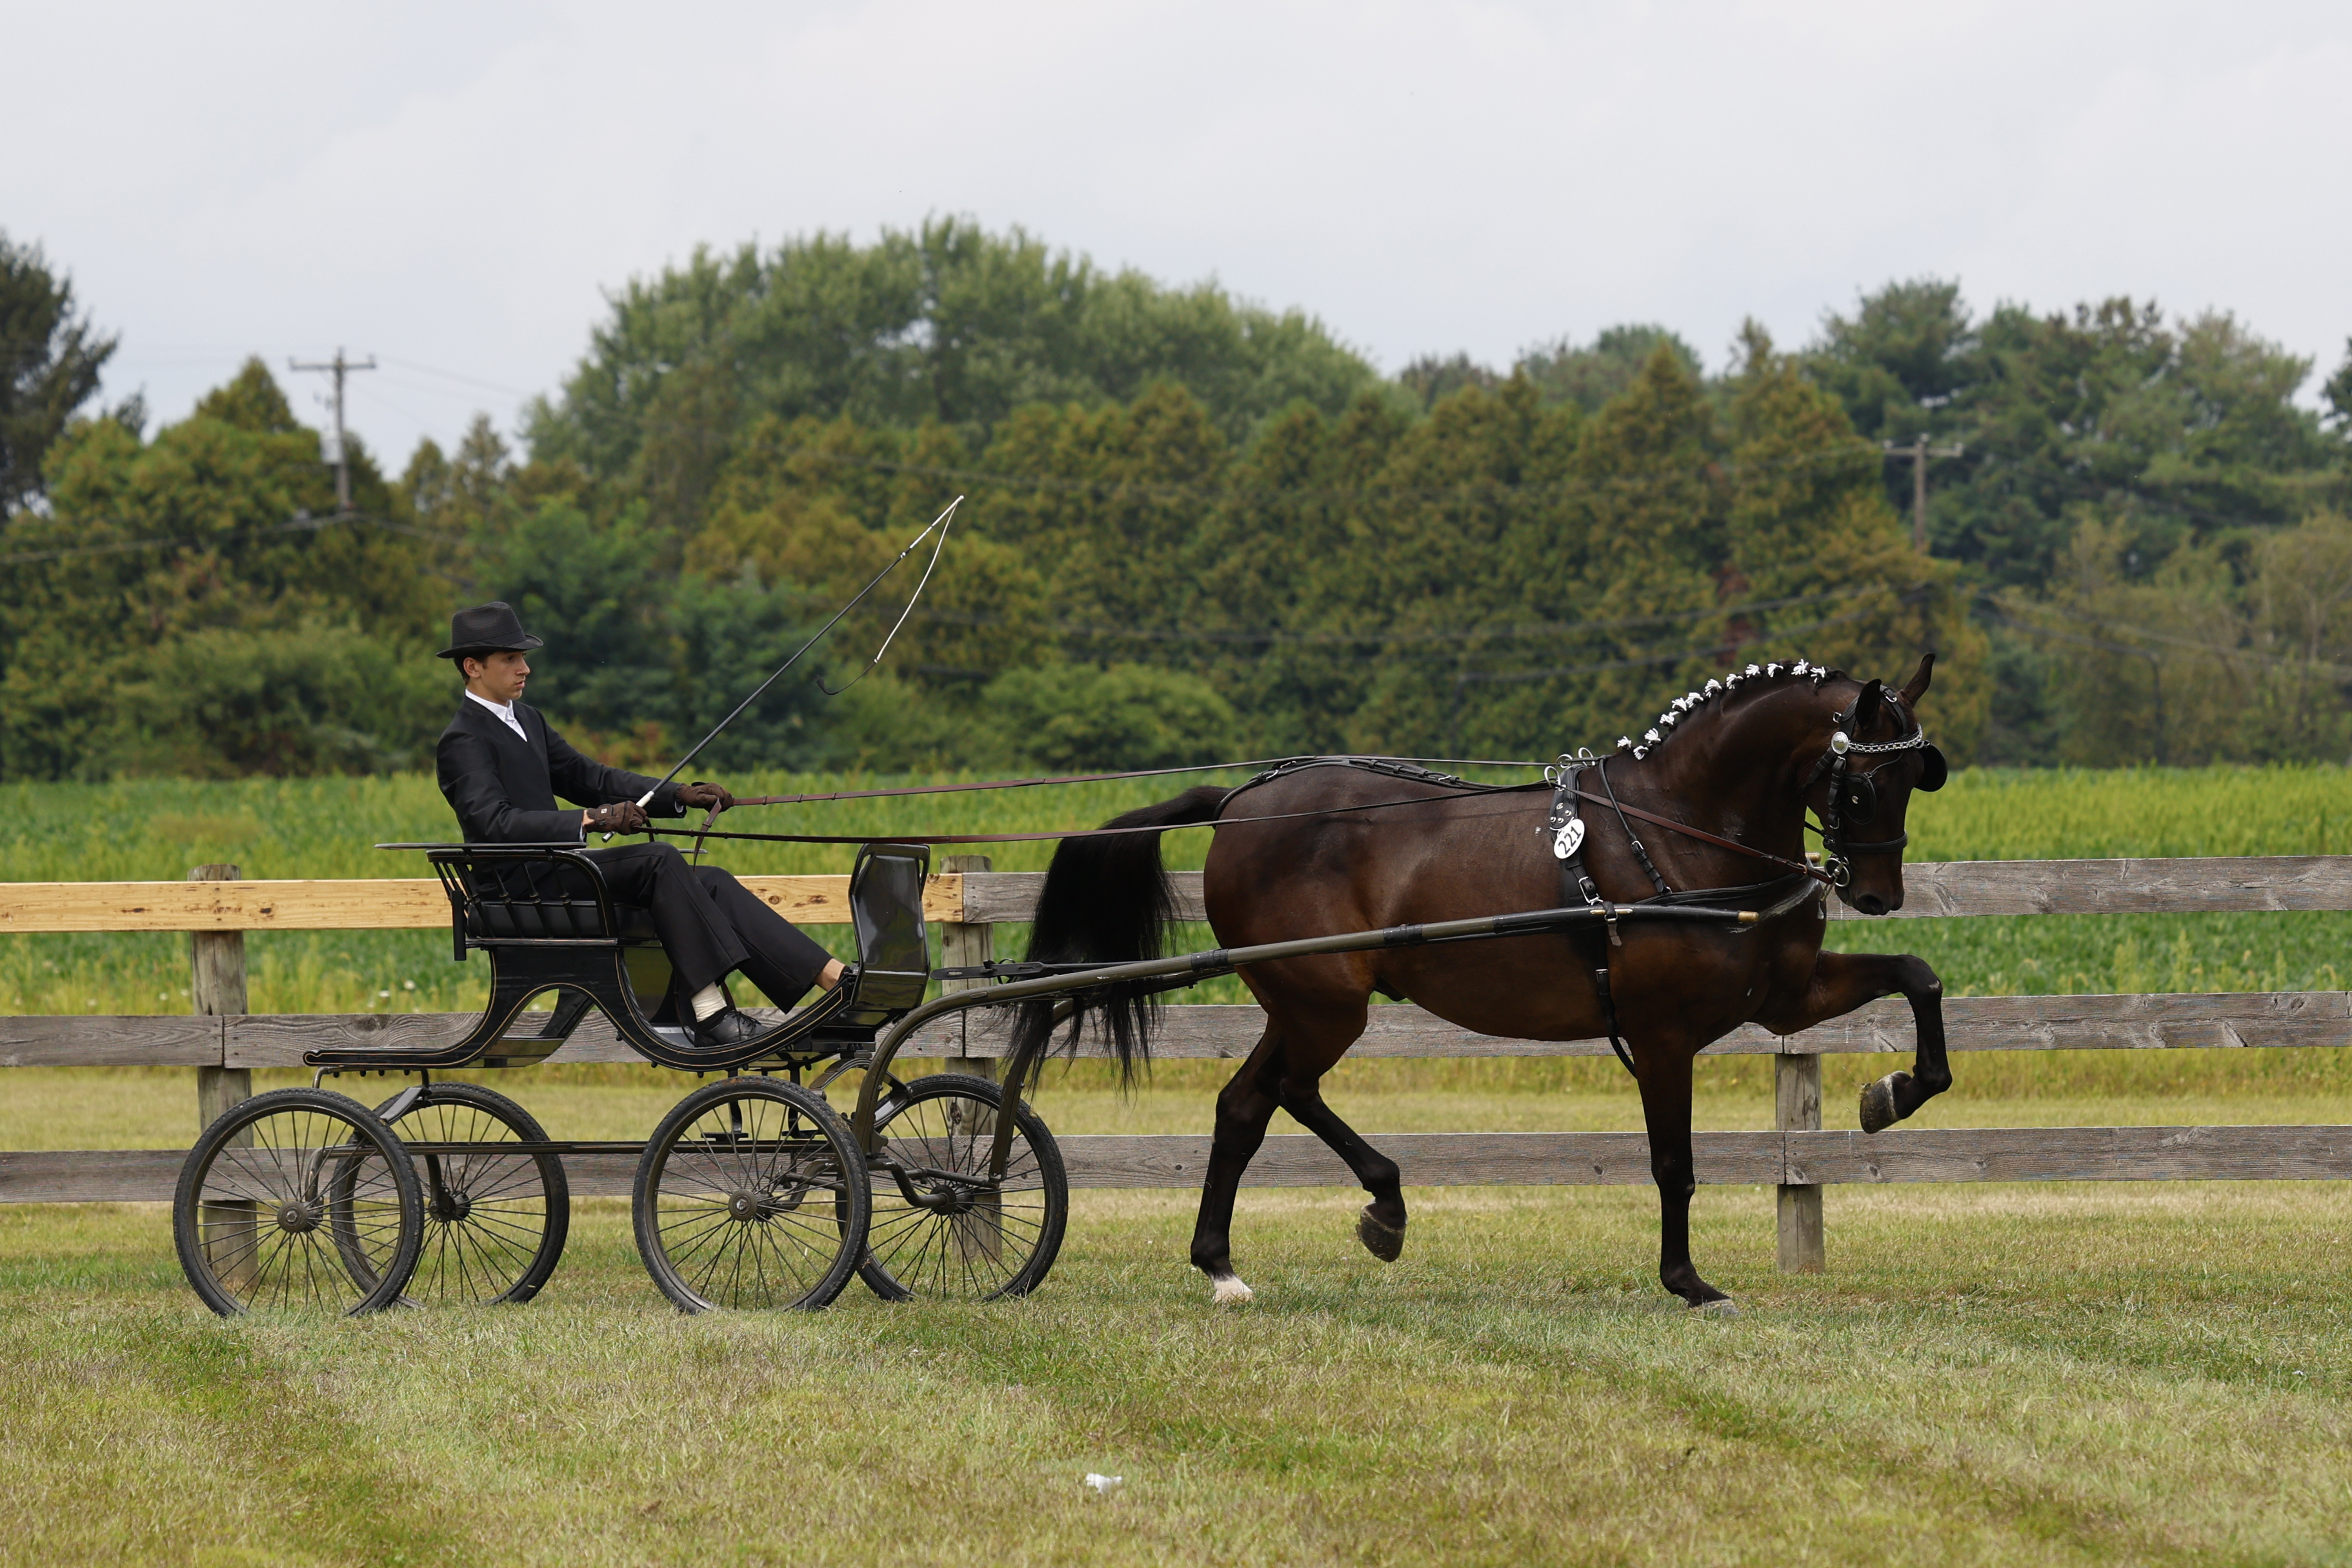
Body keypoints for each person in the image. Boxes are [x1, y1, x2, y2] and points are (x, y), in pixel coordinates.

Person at [434, 601, 841, 1049]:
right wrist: (593, 818)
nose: (525, 668)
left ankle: (834, 980)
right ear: (473, 667)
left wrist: (678, 794)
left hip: (559, 871)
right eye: (511, 659)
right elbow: (494, 823)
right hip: (520, 887)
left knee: (712, 883)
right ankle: (709, 1012)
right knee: (659, 859)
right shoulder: (463, 738)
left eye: (523, 657)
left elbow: (592, 778)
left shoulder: (527, 721)